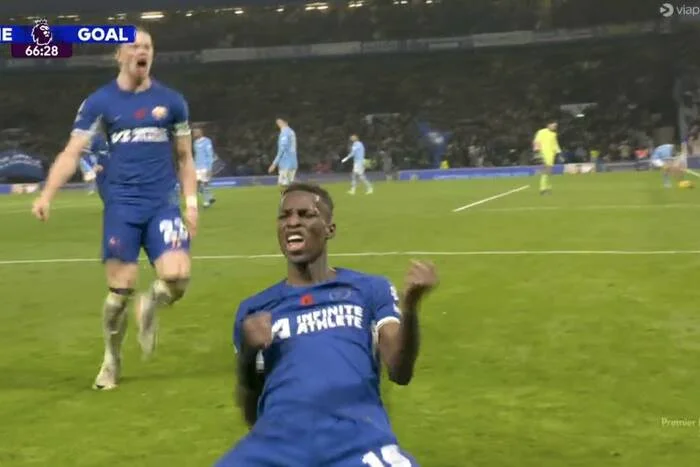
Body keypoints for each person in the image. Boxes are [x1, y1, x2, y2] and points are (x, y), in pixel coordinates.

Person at [217, 182, 438, 466]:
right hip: (277, 446)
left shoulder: (368, 289)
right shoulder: (255, 310)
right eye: (284, 216)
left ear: (329, 229)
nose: (292, 222)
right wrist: (248, 353)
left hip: (356, 440)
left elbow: (400, 369)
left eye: (305, 214)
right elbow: (252, 410)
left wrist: (411, 307)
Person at [30, 27, 198, 390]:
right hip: (122, 205)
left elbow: (185, 157)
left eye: (148, 46)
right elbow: (72, 152)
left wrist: (191, 203)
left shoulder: (172, 102)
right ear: (119, 55)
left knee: (178, 276)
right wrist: (47, 194)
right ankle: (111, 359)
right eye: (134, 46)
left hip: (162, 202)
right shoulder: (100, 102)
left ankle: (150, 304)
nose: (142, 52)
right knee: (119, 293)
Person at [268, 117, 298, 190]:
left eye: (280, 122)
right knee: (290, 184)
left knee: (283, 185)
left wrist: (274, 164)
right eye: (277, 123)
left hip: (286, 163)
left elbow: (282, 149)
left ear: (286, 122)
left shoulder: (285, 133)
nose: (278, 124)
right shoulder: (291, 132)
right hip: (293, 162)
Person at [533, 120, 561, 194]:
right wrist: (537, 152)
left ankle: (547, 188)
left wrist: (559, 153)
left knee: (549, 172)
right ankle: (543, 189)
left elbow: (555, 144)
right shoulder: (542, 132)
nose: (555, 127)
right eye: (554, 125)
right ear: (548, 125)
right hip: (543, 155)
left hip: (551, 156)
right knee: (545, 172)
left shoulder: (554, 134)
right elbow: (537, 141)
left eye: (555, 126)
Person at [193, 126, 216, 207]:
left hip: (204, 166)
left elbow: (210, 154)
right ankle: (210, 197)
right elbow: (196, 155)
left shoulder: (207, 141)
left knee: (205, 183)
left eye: (196, 132)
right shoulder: (195, 142)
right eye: (194, 132)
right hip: (197, 166)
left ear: (201, 132)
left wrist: (209, 168)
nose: (194, 133)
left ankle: (206, 201)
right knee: (197, 185)